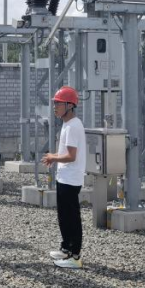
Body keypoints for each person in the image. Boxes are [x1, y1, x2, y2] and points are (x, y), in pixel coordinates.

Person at [42, 86, 86, 269]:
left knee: (71, 218)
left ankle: (75, 256)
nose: (55, 107)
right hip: (65, 178)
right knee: (64, 216)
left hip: (71, 179)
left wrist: (53, 158)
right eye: (55, 103)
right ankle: (66, 248)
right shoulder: (68, 124)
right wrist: (54, 156)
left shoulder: (73, 126)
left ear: (69, 105)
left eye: (58, 104)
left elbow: (71, 156)